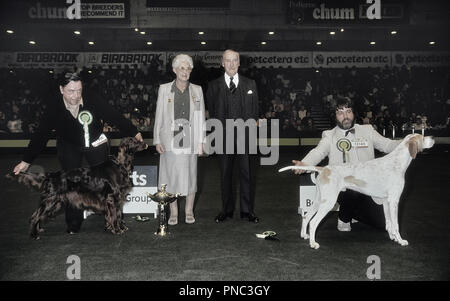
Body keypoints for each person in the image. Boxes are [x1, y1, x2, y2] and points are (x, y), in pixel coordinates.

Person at [13, 72, 143, 234]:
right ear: (61, 89)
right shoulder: (54, 107)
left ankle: (113, 221)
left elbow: (113, 116)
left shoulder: (92, 99)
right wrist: (26, 160)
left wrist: (134, 132)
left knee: (107, 186)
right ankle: (73, 222)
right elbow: (41, 134)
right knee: (69, 185)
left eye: (79, 90)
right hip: (69, 146)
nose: (75, 96)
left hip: (95, 143)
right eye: (71, 91)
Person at [292, 98, 401, 231]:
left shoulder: (367, 130)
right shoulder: (329, 135)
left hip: (369, 188)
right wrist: (304, 163)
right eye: (340, 113)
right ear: (335, 116)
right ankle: (344, 218)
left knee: (383, 225)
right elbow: (318, 152)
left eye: (348, 111)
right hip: (343, 187)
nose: (345, 116)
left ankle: (354, 212)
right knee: (351, 190)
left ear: (353, 113)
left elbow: (387, 145)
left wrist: (406, 142)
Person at [206, 49, 260, 223]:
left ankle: (247, 211)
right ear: (222, 63)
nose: (231, 64)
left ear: (239, 63)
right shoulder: (213, 86)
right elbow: (212, 114)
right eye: (227, 60)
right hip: (223, 138)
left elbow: (255, 112)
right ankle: (226, 210)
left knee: (247, 175)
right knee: (225, 175)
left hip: (245, 137)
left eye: (234, 60)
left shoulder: (251, 84)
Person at [153, 54, 205, 225]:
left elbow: (200, 118)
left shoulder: (197, 90)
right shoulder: (164, 89)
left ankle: (189, 211)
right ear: (174, 70)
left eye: (188, 68)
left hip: (190, 138)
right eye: (181, 68)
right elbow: (159, 115)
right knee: (170, 176)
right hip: (169, 139)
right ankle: (173, 212)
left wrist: (201, 142)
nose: (185, 71)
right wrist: (157, 140)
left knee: (191, 175)